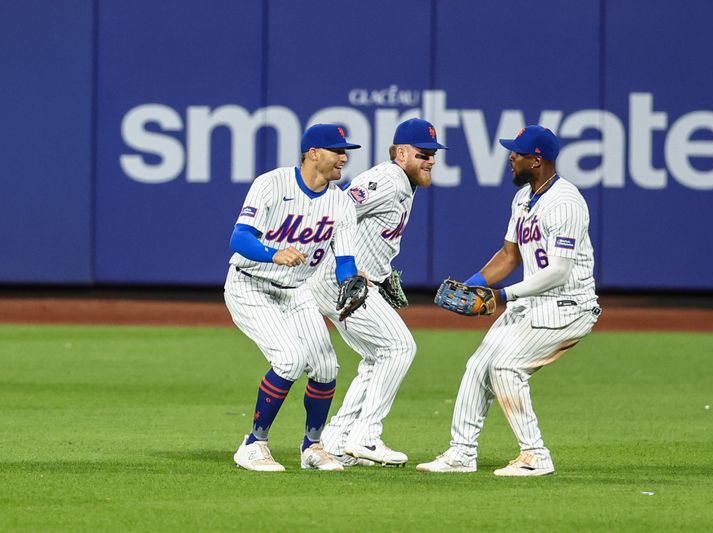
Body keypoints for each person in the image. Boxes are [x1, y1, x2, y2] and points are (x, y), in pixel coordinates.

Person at [417, 125, 601, 477]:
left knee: (505, 367)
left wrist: (501, 295)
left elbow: (560, 272)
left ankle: (535, 455)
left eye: (516, 153)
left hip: (568, 306)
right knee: (477, 367)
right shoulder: (523, 198)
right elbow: (508, 255)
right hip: (532, 304)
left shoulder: (566, 202)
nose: (510, 158)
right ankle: (461, 454)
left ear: (537, 160)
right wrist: (474, 285)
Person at [225, 123, 366, 472]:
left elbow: (345, 262)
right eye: (336, 150)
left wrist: (352, 283)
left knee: (326, 367)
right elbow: (238, 238)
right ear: (313, 153)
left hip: (297, 291)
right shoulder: (272, 183)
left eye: (345, 151)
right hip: (250, 284)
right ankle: (253, 444)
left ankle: (313, 447)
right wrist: (273, 253)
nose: (343, 157)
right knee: (289, 359)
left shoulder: (341, 203)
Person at [309, 118, 448, 467]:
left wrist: (381, 276)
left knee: (377, 357)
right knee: (400, 347)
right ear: (401, 153)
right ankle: (366, 435)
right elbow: (332, 210)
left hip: (351, 281)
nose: (430, 160)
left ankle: (336, 440)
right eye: (423, 153)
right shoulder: (385, 179)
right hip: (338, 280)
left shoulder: (402, 182)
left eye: (433, 154)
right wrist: (344, 266)